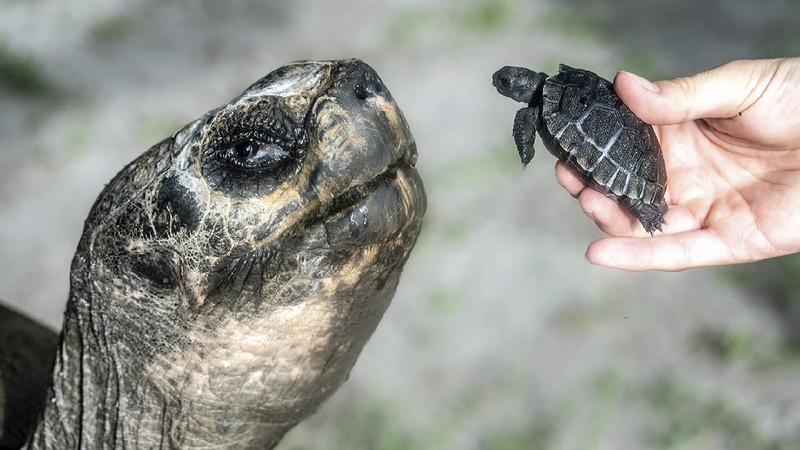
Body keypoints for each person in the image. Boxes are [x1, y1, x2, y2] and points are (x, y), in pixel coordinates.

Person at [554, 58, 800, 271]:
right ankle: (647, 207)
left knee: (634, 202)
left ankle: (647, 210)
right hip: (641, 168)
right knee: (626, 200)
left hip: (633, 166)